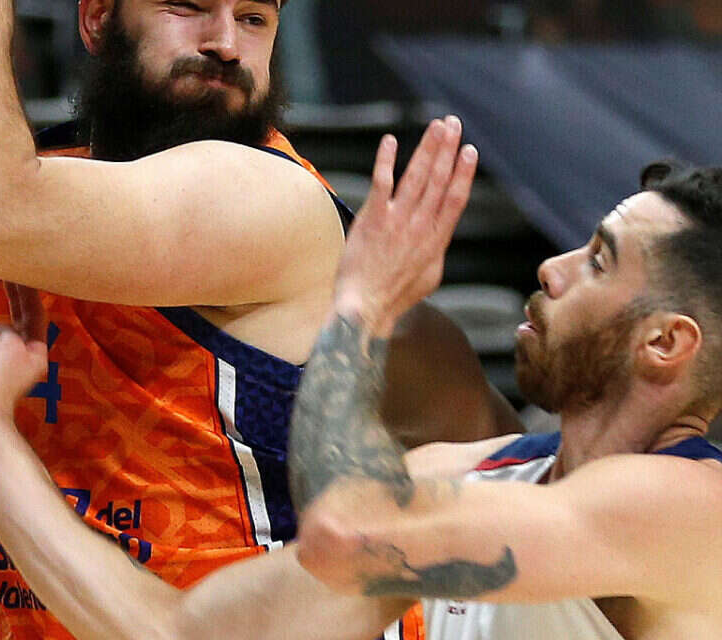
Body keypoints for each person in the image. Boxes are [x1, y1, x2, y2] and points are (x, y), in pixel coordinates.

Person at [0, 0, 505, 638]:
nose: (226, 42)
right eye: (188, 6)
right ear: (95, 18)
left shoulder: (265, 200)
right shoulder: (25, 213)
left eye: (253, 18)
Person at [289, 146, 722, 637]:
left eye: (598, 262)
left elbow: (343, 535)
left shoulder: (697, 508)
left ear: (664, 342)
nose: (551, 268)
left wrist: (362, 305)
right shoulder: (466, 470)